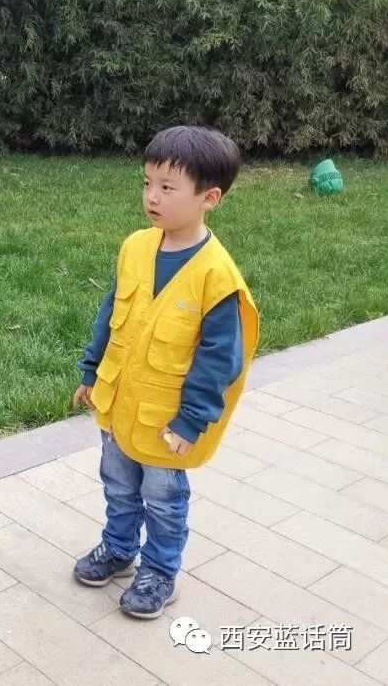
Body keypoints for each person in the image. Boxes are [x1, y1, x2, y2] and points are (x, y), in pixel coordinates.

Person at [70, 126, 259, 619]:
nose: (151, 196)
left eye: (167, 187)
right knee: (117, 486)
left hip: (166, 422)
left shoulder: (216, 276)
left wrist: (190, 421)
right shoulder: (135, 247)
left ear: (208, 198)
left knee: (163, 500)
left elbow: (220, 359)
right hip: (119, 405)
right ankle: (118, 549)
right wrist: (91, 371)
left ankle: (159, 571)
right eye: (147, 182)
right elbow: (111, 312)